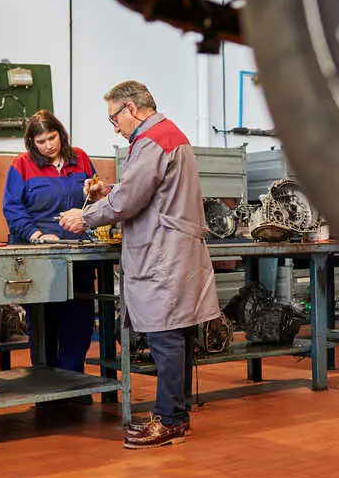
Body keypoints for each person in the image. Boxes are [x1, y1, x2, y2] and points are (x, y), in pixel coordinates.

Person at [59, 80, 220, 449]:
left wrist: (85, 218)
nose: (114, 126)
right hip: (173, 250)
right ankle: (176, 416)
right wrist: (109, 191)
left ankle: (168, 420)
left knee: (166, 337)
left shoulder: (152, 140)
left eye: (114, 117)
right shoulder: (168, 135)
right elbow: (146, 192)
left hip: (163, 253)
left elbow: (130, 201)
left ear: (131, 108)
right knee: (177, 334)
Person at [3, 110, 98, 377]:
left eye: (52, 138)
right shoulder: (20, 165)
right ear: (31, 142)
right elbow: (12, 209)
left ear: (61, 134)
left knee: (79, 319)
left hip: (77, 253)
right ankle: (46, 383)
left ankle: (72, 380)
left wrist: (94, 192)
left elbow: (95, 201)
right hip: (39, 255)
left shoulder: (80, 158)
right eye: (41, 141)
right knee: (44, 320)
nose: (48, 146)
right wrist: (36, 235)